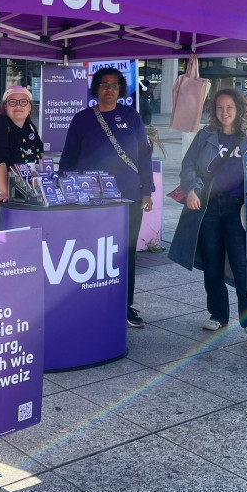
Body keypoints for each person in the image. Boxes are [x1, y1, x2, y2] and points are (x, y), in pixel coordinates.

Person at [168, 88, 247, 353]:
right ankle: (218, 314)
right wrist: (191, 189)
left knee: (242, 267)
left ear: (239, 110)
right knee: (212, 263)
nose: (225, 112)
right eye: (220, 108)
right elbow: (188, 166)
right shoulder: (205, 137)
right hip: (208, 208)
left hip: (238, 211)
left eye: (230, 108)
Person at [60, 67, 154, 329]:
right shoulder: (82, 119)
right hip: (91, 199)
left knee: (126, 251)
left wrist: (147, 190)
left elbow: (144, 155)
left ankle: (125, 305)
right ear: (96, 89)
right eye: (104, 85)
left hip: (128, 197)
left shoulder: (131, 117)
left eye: (114, 85)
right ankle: (93, 301)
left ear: (120, 89)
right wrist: (65, 191)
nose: (109, 90)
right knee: (91, 250)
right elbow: (68, 159)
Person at [0, 85, 43, 231]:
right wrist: (5, 193)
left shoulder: (30, 127)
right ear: (5, 106)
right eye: (12, 102)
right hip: (0, 203)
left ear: (30, 107)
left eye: (23, 102)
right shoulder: (0, 123)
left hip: (24, 200)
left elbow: (40, 156)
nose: (18, 106)